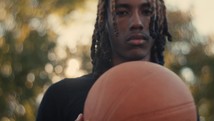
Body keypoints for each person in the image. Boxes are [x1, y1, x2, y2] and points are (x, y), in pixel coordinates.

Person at [36, 0, 173, 121]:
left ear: (159, 18)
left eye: (147, 11)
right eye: (122, 12)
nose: (137, 23)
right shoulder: (62, 96)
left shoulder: (176, 99)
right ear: (104, 20)